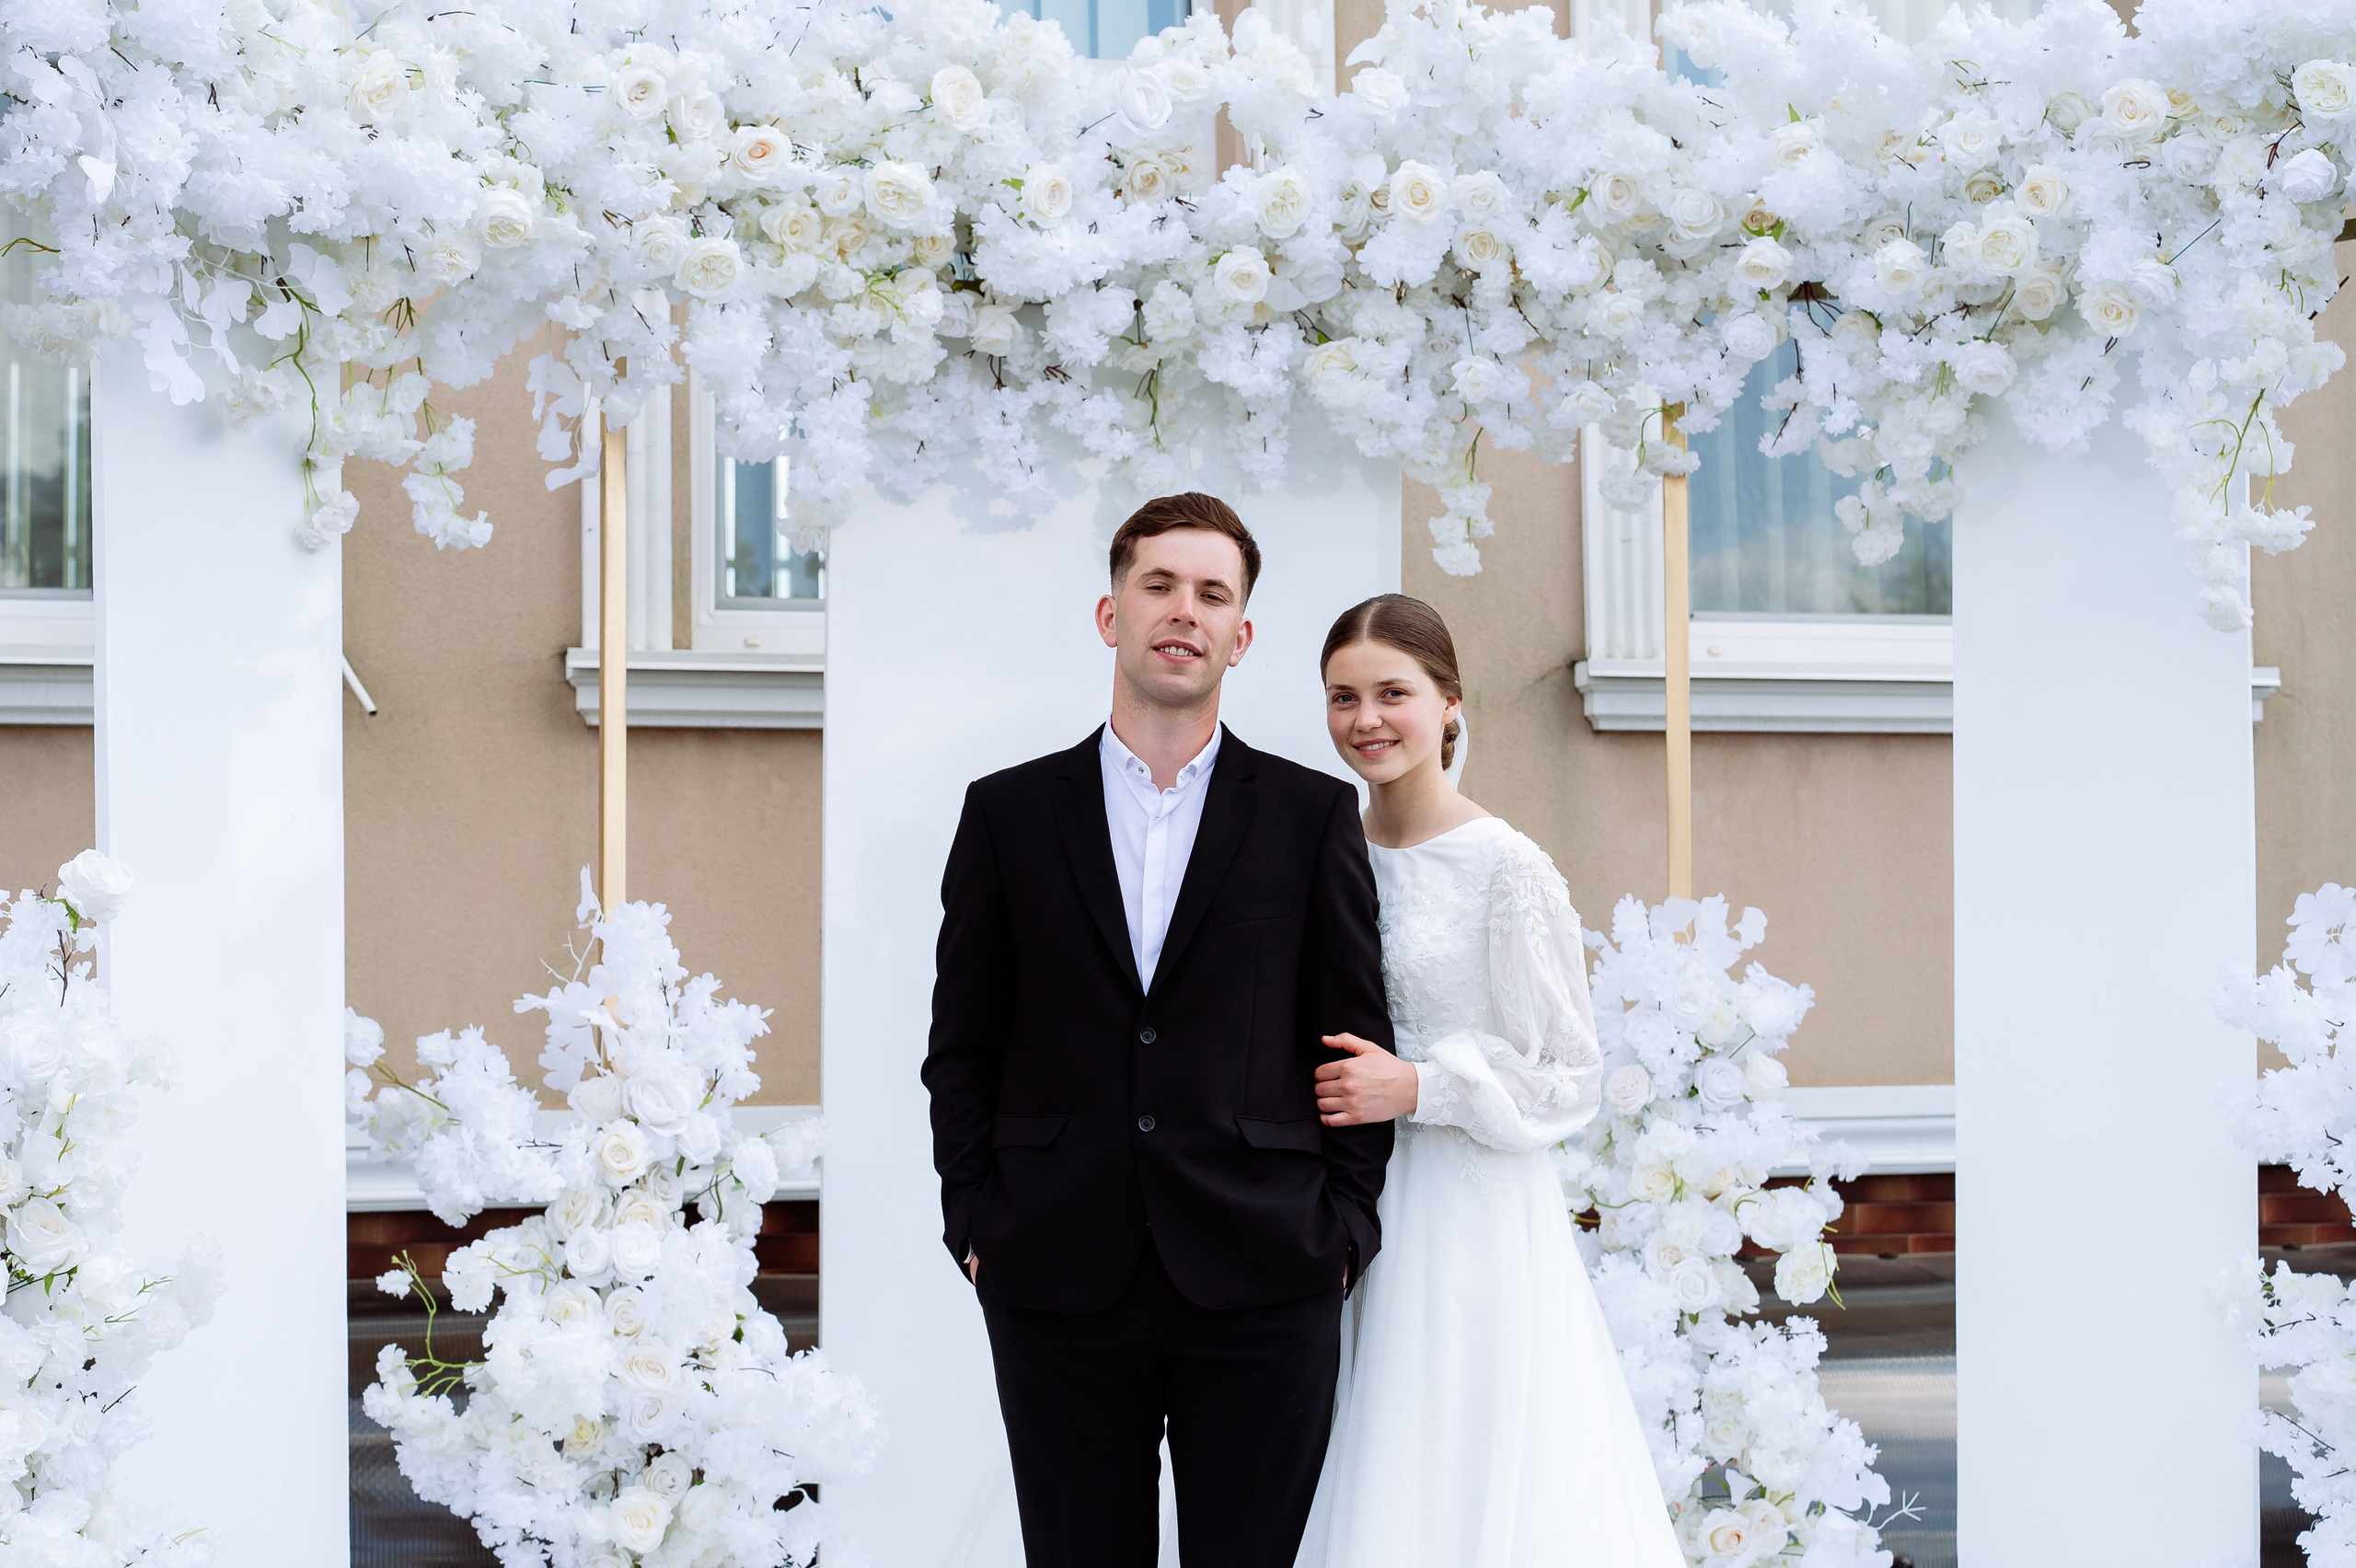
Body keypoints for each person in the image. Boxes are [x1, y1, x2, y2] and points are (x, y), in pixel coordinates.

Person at [922, 493, 1397, 1568]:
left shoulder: (1309, 815)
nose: (1184, 611)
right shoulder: (1006, 814)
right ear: (1111, 614)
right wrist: (977, 1224)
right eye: (1160, 585)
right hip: (1053, 1268)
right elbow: (963, 1045)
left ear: (1240, 635)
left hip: (1267, 1270)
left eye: (1212, 593)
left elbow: (1349, 1039)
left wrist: (1342, 1236)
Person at [1297, 594, 1685, 1568]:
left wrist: (1423, 1088)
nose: (1366, 720)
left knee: (1453, 1446)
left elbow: (1569, 1075)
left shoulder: (1503, 866)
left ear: (1451, 704)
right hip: (1333, 1199)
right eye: (1343, 698)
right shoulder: (1320, 848)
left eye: (1394, 693)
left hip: (1465, 1208)